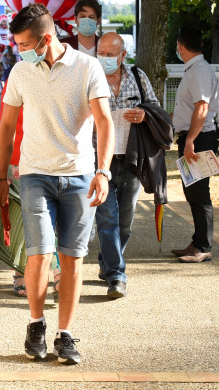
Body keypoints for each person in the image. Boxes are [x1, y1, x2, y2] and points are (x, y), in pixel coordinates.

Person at [0, 3, 113, 364]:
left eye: (26, 45)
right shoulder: (20, 72)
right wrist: (0, 176)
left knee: (72, 259)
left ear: (46, 39)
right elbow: (6, 127)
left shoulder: (87, 67)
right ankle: (36, 323)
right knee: (39, 253)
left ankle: (65, 334)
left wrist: (103, 171)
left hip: (78, 176)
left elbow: (104, 122)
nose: (21, 52)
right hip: (34, 176)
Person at [94, 32, 159, 298]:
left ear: (123, 56)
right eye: (102, 53)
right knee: (107, 218)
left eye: (111, 54)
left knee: (125, 221)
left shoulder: (138, 77)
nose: (105, 58)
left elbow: (156, 108)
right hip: (99, 161)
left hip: (132, 159)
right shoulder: (89, 76)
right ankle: (117, 275)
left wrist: (144, 114)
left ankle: (107, 261)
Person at [171, 26, 219, 263]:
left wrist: (190, 140)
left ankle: (204, 247)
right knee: (192, 191)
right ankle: (197, 241)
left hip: (198, 138)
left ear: (181, 45)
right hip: (192, 137)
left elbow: (202, 107)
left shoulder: (199, 70)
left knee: (199, 193)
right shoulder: (194, 69)